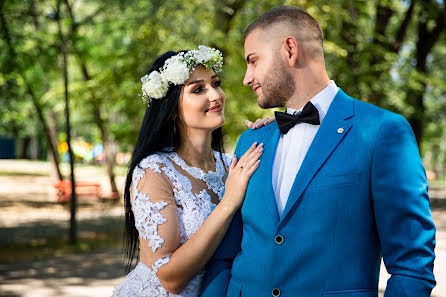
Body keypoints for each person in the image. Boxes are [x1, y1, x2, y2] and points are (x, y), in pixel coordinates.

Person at [200, 6, 436, 297]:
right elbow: (225, 254)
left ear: (289, 49)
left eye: (253, 61)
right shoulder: (251, 141)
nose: (247, 78)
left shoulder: (382, 131)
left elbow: (411, 265)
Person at [112, 46, 269, 296]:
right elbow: (170, 279)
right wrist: (228, 202)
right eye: (198, 89)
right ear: (172, 109)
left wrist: (268, 136)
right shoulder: (155, 170)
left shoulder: (233, 164)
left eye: (215, 84)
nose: (215, 95)